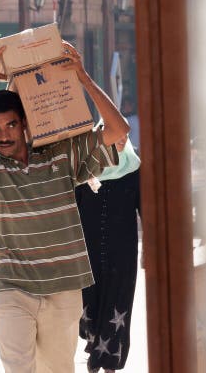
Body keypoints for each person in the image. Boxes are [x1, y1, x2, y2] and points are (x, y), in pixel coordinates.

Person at [0, 40, 128, 373]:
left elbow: (118, 129)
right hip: (11, 287)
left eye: (11, 125)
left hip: (63, 286)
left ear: (26, 123)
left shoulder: (62, 156)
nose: (3, 135)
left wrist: (82, 76)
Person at [76, 136, 141, 373]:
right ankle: (95, 350)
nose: (118, 142)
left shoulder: (135, 170)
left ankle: (108, 363)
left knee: (117, 303)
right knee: (89, 305)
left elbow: (146, 208)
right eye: (112, 136)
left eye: (123, 137)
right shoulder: (85, 168)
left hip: (122, 253)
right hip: (87, 252)